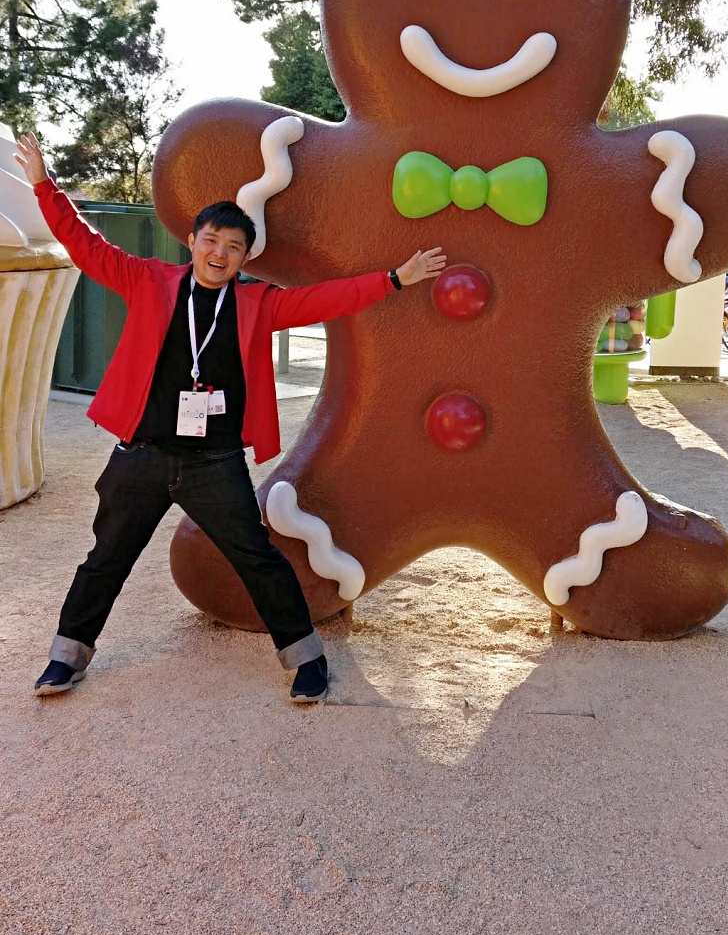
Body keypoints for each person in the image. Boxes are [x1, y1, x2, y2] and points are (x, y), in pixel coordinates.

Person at [14, 132, 446, 704]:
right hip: (141, 454)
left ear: (245, 256)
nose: (219, 253)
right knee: (106, 558)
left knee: (257, 557)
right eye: (211, 240)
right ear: (192, 242)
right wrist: (45, 185)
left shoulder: (257, 302)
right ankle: (66, 657)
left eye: (234, 246)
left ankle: (306, 659)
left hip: (213, 463)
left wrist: (394, 279)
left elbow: (327, 299)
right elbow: (86, 245)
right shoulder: (148, 281)